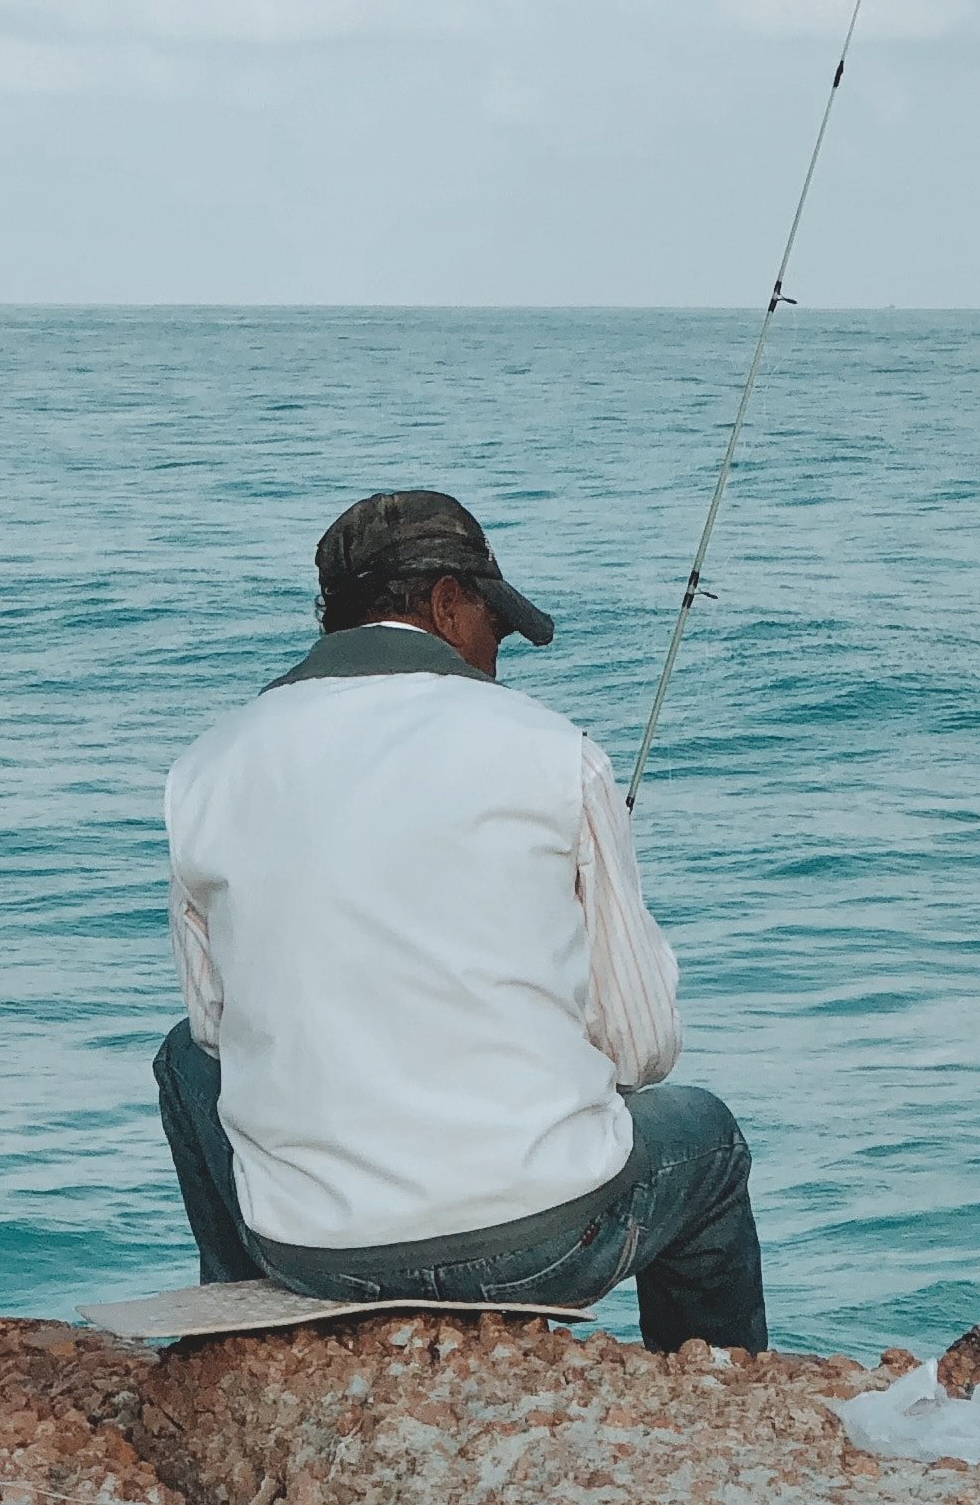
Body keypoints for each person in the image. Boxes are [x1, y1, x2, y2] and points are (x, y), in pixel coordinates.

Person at [154, 487, 768, 1351]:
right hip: (539, 1249)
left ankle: (254, 1341)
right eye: (494, 628)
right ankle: (721, 1399)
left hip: (306, 1252)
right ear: (447, 602)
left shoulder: (205, 768)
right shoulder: (555, 751)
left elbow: (217, 1033)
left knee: (183, 1058)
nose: (496, 657)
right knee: (706, 1141)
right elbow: (644, 1045)